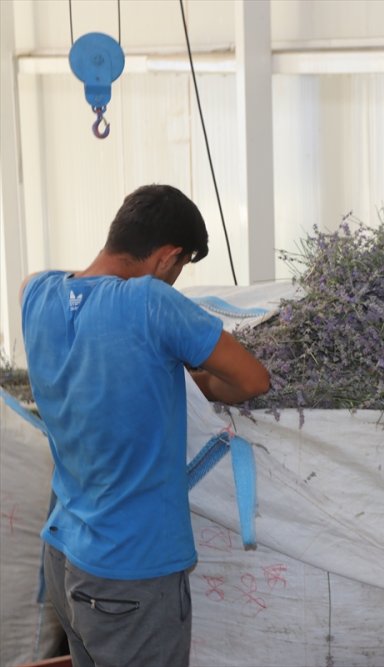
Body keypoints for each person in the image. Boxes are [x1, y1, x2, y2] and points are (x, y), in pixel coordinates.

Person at [20, 184, 271, 667]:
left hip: (65, 555)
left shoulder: (37, 293)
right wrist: (199, 385)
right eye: (180, 268)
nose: (174, 279)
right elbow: (252, 378)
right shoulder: (150, 304)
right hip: (130, 573)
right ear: (167, 257)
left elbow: (74, 303)